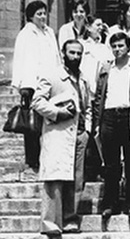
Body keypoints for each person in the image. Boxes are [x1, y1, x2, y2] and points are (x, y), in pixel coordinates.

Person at [32, 39, 91, 237]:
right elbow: (37, 102)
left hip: (79, 134)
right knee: (54, 178)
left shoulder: (83, 79)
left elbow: (88, 107)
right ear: (63, 53)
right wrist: (57, 112)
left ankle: (70, 220)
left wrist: (88, 130)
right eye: (71, 52)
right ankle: (51, 223)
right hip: (58, 133)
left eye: (78, 53)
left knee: (76, 179)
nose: (75, 57)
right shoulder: (52, 75)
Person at [93, 32, 130, 219]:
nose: (117, 49)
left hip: (129, 116)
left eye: (121, 46)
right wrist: (97, 123)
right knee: (110, 164)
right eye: (114, 46)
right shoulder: (107, 68)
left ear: (128, 48)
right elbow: (99, 96)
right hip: (109, 116)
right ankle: (110, 203)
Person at [13, 0, 62, 171]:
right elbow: (19, 60)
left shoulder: (49, 32)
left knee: (47, 121)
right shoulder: (25, 34)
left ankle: (46, 157)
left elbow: (56, 57)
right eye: (39, 14)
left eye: (44, 13)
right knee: (32, 124)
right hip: (31, 84)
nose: (42, 17)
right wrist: (20, 84)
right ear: (31, 16)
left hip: (48, 83)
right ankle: (32, 160)